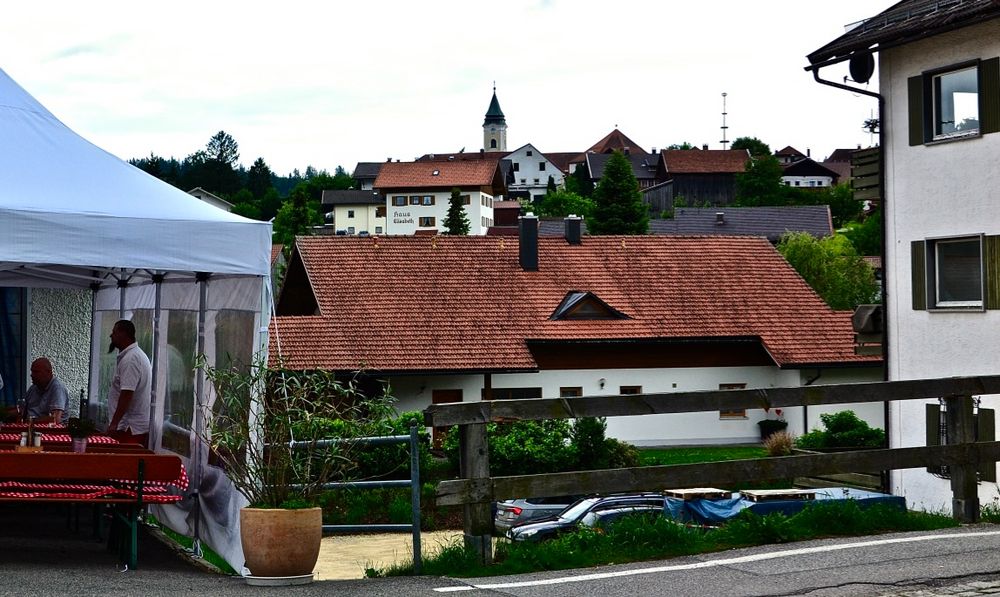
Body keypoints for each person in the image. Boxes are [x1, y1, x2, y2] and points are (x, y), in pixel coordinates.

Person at [107, 319, 152, 447]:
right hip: (130, 427)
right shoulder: (133, 355)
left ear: (123, 334)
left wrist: (114, 423)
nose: (111, 336)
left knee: (126, 464)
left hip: (130, 428)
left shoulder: (131, 359)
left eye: (114, 332)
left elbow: (127, 394)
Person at [24, 357, 69, 424]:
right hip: (30, 428)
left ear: (48, 372)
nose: (32, 375)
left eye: (36, 372)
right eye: (32, 371)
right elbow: (22, 411)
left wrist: (31, 421)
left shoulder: (57, 388)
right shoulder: (33, 388)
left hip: (50, 431)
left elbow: (55, 419)